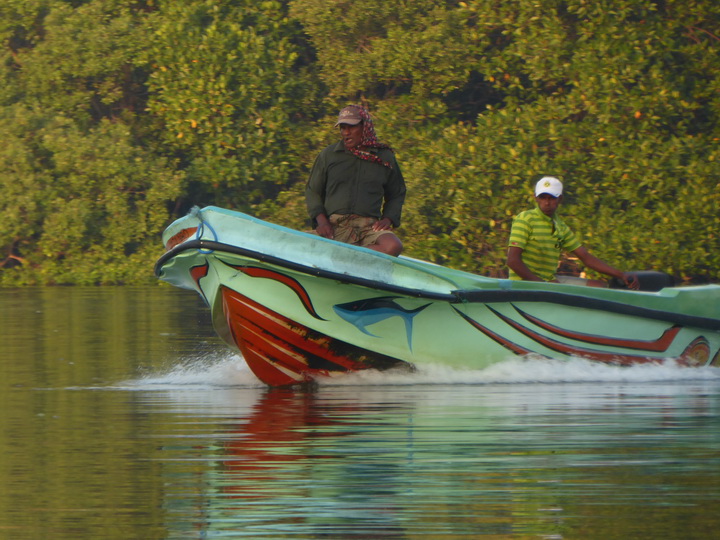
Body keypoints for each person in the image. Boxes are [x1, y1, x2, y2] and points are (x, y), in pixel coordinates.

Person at [305, 104, 406, 256]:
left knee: (393, 246)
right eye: (342, 128)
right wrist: (322, 222)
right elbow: (313, 191)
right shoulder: (329, 155)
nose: (346, 133)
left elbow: (397, 193)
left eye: (351, 127)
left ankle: (345, 256)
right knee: (296, 244)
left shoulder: (384, 158)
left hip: (369, 228)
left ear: (365, 127)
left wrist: (388, 218)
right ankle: (347, 256)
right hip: (335, 226)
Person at [507, 176, 638, 289]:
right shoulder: (525, 219)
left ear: (560, 199)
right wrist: (541, 285)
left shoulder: (560, 226)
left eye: (552, 198)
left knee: (600, 286)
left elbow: (585, 257)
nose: (546, 202)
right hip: (525, 284)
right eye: (542, 197)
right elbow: (513, 261)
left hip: (548, 281)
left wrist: (621, 274)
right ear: (536, 198)